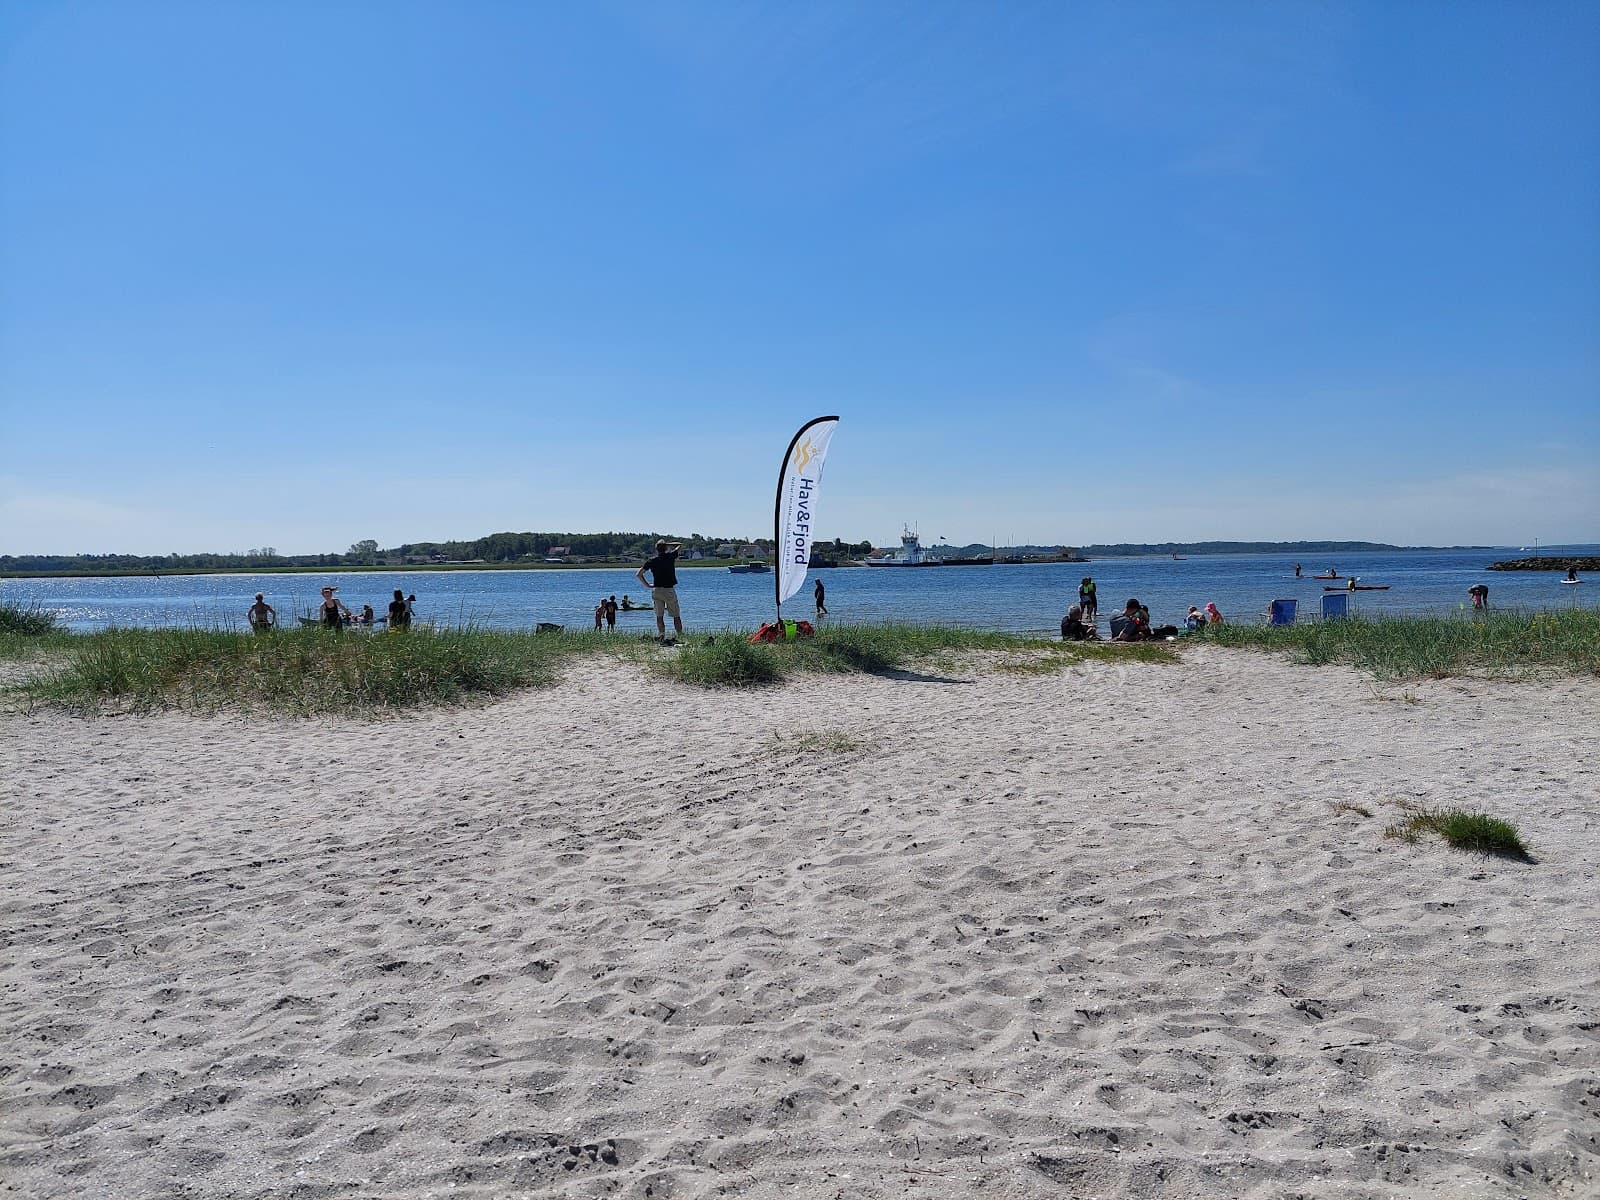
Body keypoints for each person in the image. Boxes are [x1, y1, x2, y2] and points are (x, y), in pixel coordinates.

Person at [635, 539, 684, 640]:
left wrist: (648, 585)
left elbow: (639, 574)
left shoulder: (652, 560)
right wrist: (668, 544)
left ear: (656, 549)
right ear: (665, 548)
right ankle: (680, 636)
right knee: (676, 615)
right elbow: (680, 545)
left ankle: (662, 636)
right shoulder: (670, 556)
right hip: (669, 590)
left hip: (657, 590)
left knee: (659, 616)